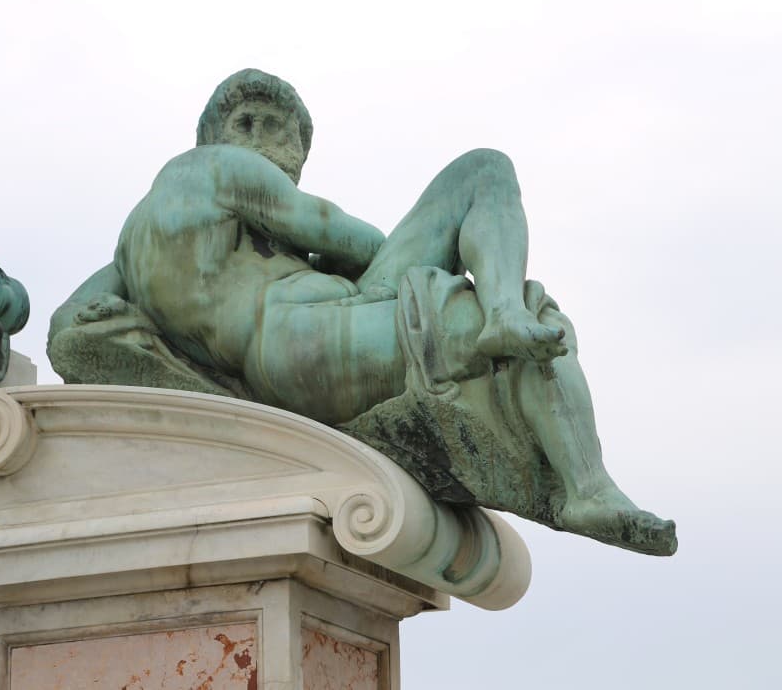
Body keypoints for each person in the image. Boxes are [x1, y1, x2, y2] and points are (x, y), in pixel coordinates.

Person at [49, 68, 670, 540]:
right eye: (243, 125)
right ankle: (581, 476)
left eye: (274, 127)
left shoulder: (131, 248)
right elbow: (343, 234)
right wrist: (334, 263)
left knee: (484, 173)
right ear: (212, 140)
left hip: (322, 324)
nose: (257, 139)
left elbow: (67, 329)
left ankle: (512, 324)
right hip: (302, 338)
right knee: (480, 288)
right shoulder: (210, 169)